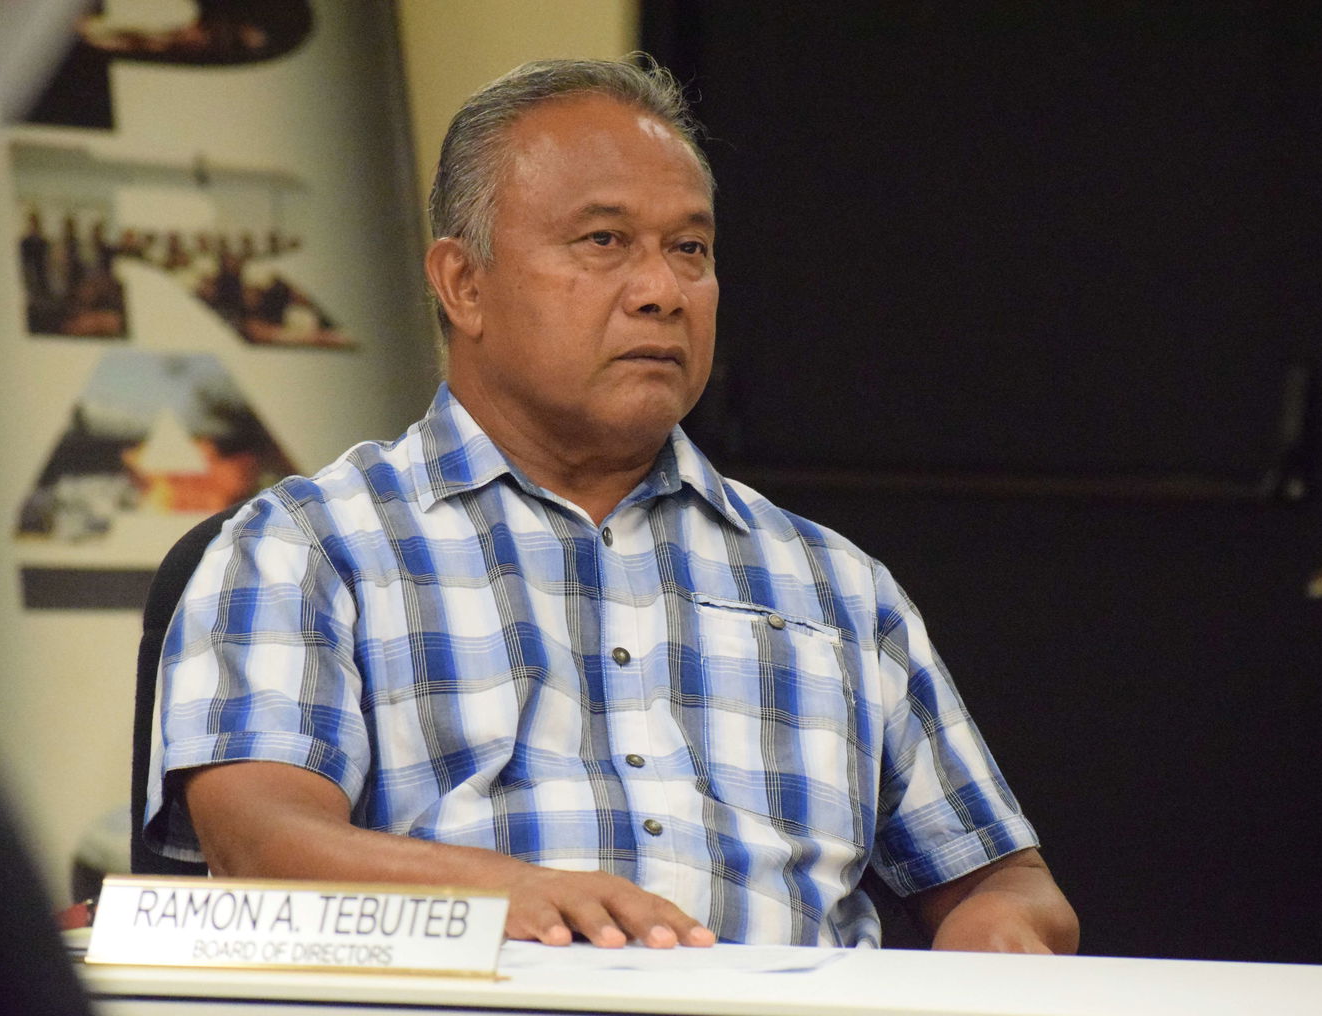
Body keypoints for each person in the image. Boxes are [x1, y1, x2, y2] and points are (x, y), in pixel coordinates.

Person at [145, 57, 1078, 953]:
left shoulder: (834, 584)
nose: (662, 292)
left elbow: (1001, 878)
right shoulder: (309, 547)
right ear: (463, 283)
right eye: (604, 243)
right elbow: (259, 846)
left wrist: (1003, 930)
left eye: (691, 250)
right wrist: (498, 893)